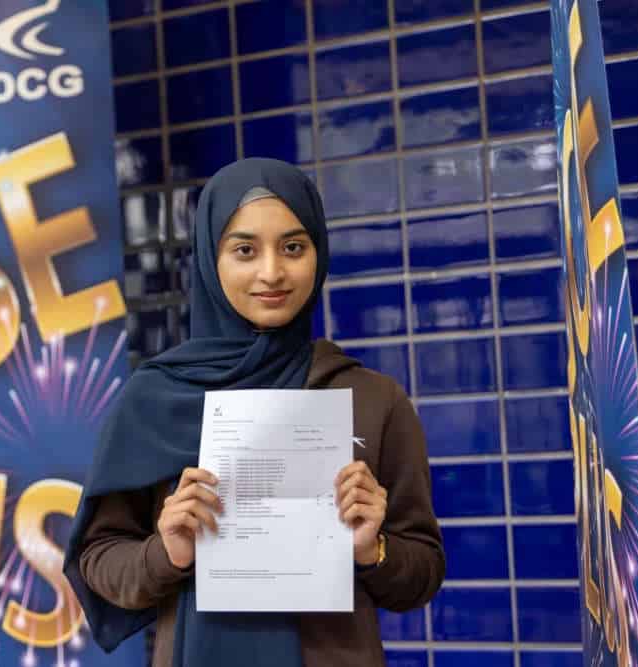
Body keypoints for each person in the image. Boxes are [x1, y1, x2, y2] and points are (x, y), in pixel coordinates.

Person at [64, 158, 444, 667]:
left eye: (293, 247)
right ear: (210, 258)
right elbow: (99, 561)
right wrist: (168, 550)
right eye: (245, 250)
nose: (272, 272)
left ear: (319, 254)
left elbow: (421, 575)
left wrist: (371, 549)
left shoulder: (370, 399)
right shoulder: (155, 398)